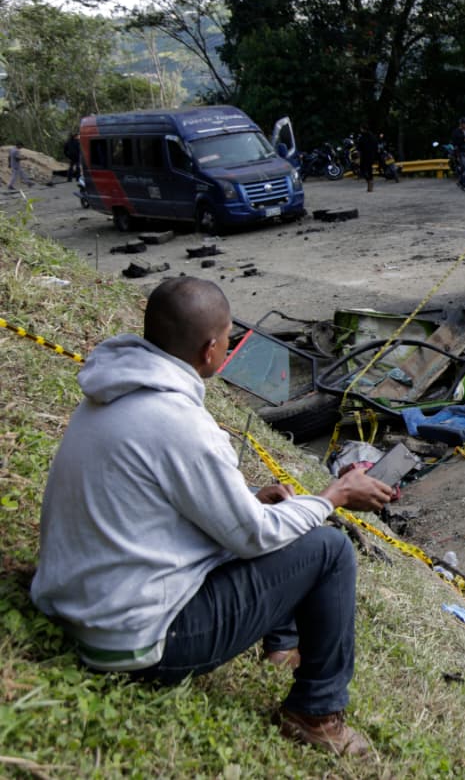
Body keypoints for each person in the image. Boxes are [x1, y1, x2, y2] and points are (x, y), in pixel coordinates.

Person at [30, 277, 395, 756]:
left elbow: (172, 502)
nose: (228, 344)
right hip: (136, 641)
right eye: (227, 336)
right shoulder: (178, 423)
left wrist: (247, 498)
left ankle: (282, 648)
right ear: (210, 350)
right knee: (327, 548)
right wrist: (335, 495)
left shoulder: (115, 393)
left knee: (282, 515)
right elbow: (252, 536)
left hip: (80, 606)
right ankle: (316, 715)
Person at [450, 117, 465, 191]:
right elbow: (456, 141)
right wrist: (464, 139)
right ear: (461, 124)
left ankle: (460, 181)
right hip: (461, 152)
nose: (464, 125)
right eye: (463, 123)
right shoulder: (457, 132)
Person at [356, 126, 378, 192]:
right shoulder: (373, 136)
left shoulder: (362, 138)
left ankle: (369, 182)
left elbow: (359, 148)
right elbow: (376, 146)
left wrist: (358, 156)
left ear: (363, 129)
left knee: (363, 170)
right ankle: (370, 183)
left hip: (365, 156)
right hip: (371, 156)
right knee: (369, 169)